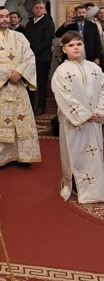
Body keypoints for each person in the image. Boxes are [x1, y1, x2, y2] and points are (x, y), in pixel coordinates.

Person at [0, 6, 40, 167]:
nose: (5, 19)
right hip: (1, 88)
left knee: (22, 120)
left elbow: (29, 57)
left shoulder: (19, 37)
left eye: (7, 16)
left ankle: (23, 156)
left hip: (18, 86)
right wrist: (8, 75)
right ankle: (0, 158)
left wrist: (20, 72)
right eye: (1, 16)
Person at [51, 31, 104, 204]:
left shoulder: (95, 69)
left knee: (95, 154)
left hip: (94, 120)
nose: (76, 48)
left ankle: (97, 190)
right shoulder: (61, 71)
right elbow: (63, 96)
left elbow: (103, 90)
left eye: (79, 44)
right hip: (73, 122)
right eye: (71, 45)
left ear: (84, 46)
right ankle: (76, 187)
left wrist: (99, 111)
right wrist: (83, 115)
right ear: (64, 49)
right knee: (76, 154)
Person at [24, 0, 55, 116]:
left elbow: (46, 41)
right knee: (30, 83)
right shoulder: (30, 23)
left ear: (44, 10)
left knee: (42, 84)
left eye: (41, 8)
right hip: (29, 58)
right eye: (36, 8)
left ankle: (41, 107)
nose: (38, 10)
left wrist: (33, 52)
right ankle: (31, 106)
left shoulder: (48, 23)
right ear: (33, 9)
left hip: (42, 58)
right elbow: (26, 40)